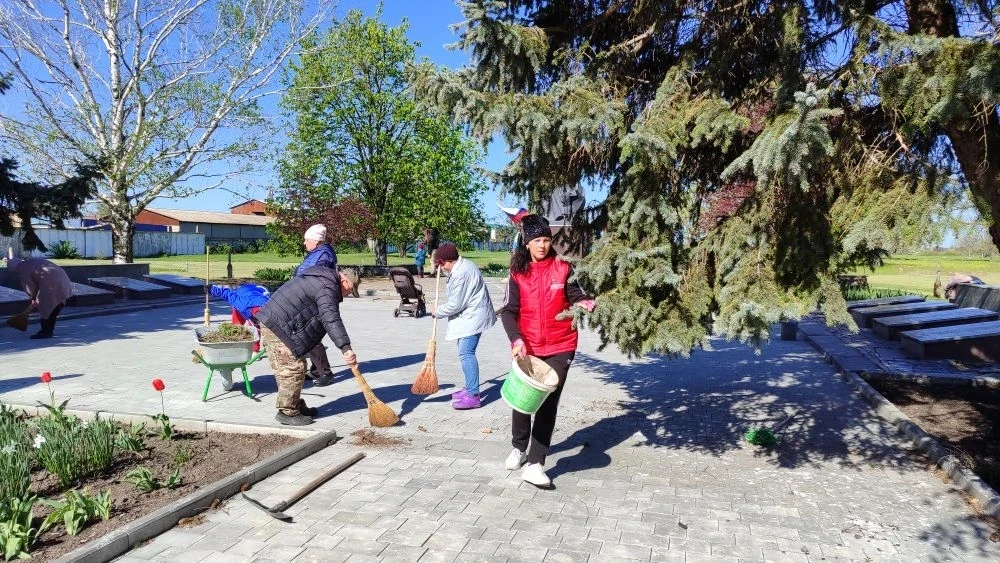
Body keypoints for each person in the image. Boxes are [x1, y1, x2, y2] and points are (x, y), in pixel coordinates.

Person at [498, 214, 595, 487]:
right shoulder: (517, 272)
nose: (542, 245)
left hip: (561, 345)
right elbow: (508, 311)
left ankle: (535, 464)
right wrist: (516, 339)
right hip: (527, 345)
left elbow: (575, 294)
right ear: (527, 242)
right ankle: (519, 447)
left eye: (546, 240)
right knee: (524, 398)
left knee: (548, 401)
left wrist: (583, 301)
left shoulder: (563, 267)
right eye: (537, 240)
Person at [256, 266, 357, 426]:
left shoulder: (323, 280)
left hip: (279, 323)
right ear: (344, 281)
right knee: (292, 369)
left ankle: (294, 404)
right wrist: (346, 348)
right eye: (350, 290)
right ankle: (287, 412)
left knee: (295, 365)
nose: (347, 295)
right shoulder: (327, 287)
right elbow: (330, 318)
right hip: (277, 325)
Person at [432, 243, 496, 410]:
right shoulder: (462, 266)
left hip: (473, 318)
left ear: (449, 260)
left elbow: (456, 304)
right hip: (470, 317)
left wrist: (437, 312)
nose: (441, 267)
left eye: (441, 264)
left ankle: (473, 395)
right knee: (465, 352)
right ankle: (469, 387)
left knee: (466, 353)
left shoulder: (462, 273)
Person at [294, 224, 337, 385]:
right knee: (309, 335)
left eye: (307, 240)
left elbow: (316, 279)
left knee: (310, 335)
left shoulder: (323, 256)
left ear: (316, 240)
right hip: (307, 298)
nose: (304, 243)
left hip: (314, 300)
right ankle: (317, 370)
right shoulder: (316, 253)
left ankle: (324, 372)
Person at [3, 257, 73, 339]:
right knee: (55, 306)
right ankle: (48, 329)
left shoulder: (22, 270)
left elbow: (30, 286)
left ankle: (45, 332)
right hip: (63, 278)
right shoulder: (31, 261)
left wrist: (33, 297)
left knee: (46, 308)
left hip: (51, 283)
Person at [209, 283, 271, 351]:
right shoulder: (240, 304)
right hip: (242, 293)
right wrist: (212, 289)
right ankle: (235, 344)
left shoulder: (269, 305)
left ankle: (254, 350)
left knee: (255, 328)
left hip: (259, 291)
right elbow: (227, 294)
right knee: (237, 325)